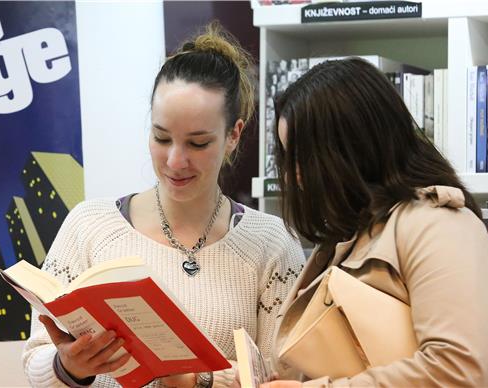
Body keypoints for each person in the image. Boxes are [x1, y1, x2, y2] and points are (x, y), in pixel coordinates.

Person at [22, 22, 305, 388]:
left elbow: (285, 376)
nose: (175, 161)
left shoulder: (272, 243)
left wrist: (196, 378)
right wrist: (69, 367)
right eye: (161, 137)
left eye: (198, 143)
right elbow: (34, 361)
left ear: (234, 134)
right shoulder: (89, 226)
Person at [262, 58, 488, 387]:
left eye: (301, 157)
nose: (293, 176)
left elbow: (460, 371)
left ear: (350, 149)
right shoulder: (346, 235)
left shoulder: (439, 226)